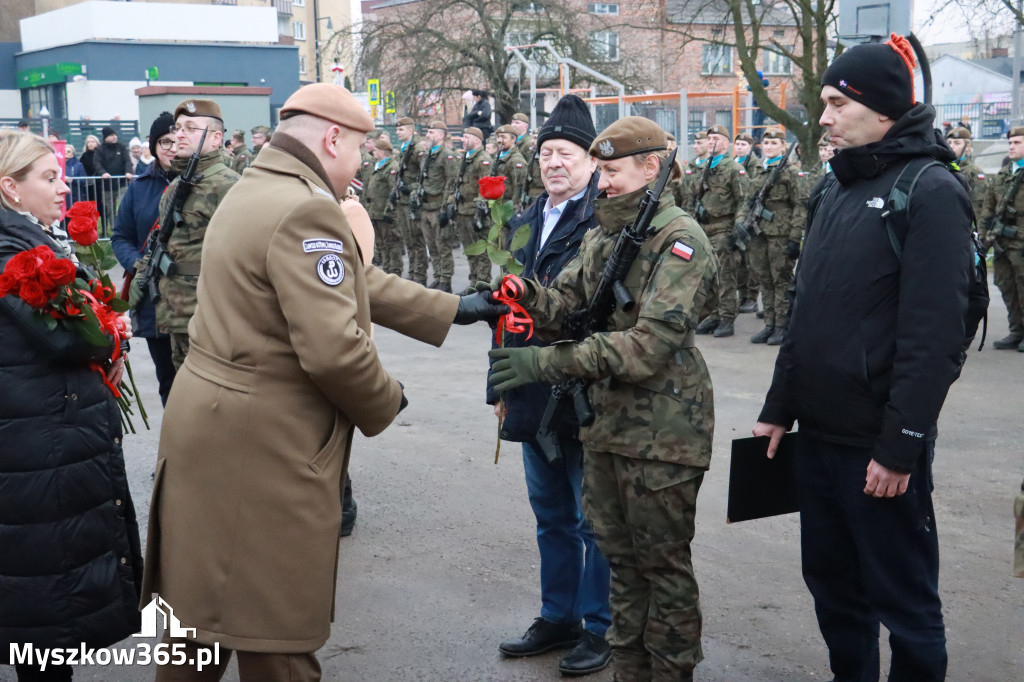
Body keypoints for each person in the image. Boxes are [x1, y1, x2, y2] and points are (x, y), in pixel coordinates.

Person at [141, 83, 506, 681]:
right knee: (276, 634)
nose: (362, 163)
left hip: (210, 427)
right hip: (262, 446)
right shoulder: (306, 208)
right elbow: (335, 352)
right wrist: (387, 400)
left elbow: (351, 279)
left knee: (197, 629)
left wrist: (450, 307)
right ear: (333, 138)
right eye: (360, 148)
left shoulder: (256, 185)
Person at [754, 36, 973, 682]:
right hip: (818, 439)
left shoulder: (929, 189)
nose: (822, 117)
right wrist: (777, 408)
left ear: (879, 107)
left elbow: (934, 339)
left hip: (878, 449)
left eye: (833, 102)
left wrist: (901, 445)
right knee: (835, 594)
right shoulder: (833, 188)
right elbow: (806, 312)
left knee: (904, 605)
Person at [487, 116, 719, 682]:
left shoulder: (680, 240)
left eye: (612, 171)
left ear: (651, 169)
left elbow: (648, 346)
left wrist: (542, 362)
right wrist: (526, 294)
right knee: (620, 566)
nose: (604, 183)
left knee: (660, 569)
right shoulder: (605, 233)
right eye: (604, 171)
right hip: (608, 425)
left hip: (663, 433)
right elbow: (569, 301)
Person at [0, 130, 142, 682]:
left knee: (47, 594)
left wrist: (109, 328)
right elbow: (68, 338)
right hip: (38, 442)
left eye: (61, 174)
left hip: (45, 434)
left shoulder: (37, 239)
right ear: (10, 188)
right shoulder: (14, 253)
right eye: (48, 177)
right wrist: (108, 337)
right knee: (44, 600)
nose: (63, 189)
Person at [490, 95, 612, 677]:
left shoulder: (604, 220)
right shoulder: (524, 219)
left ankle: (599, 625)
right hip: (529, 387)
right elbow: (503, 309)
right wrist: (499, 387)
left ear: (590, 160)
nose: (553, 162)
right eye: (545, 153)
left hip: (580, 384)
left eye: (564, 152)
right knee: (550, 514)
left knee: (592, 517)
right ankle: (556, 615)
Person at [156, 99, 241, 369]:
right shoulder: (177, 185)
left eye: (191, 128)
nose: (179, 135)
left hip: (209, 316)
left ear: (216, 139)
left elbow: (243, 257)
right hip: (176, 312)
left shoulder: (230, 186)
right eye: (178, 127)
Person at [112, 112, 178, 405]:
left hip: (195, 298)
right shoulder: (139, 188)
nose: (172, 148)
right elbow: (120, 236)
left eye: (178, 141)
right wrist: (138, 265)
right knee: (169, 383)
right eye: (165, 141)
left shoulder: (200, 185)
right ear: (154, 146)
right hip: (154, 300)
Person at [735, 126, 807, 346]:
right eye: (766, 143)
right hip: (759, 234)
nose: (769, 147)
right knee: (765, 280)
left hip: (781, 235)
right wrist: (740, 223)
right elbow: (747, 201)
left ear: (783, 146)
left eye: (774, 143)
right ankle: (769, 324)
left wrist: (795, 238)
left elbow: (801, 206)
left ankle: (781, 326)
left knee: (781, 281)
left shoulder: (791, 172)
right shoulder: (758, 172)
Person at [693, 124, 745, 338]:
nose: (711, 142)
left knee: (725, 274)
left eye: (716, 138)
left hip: (724, 227)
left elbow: (744, 198)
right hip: (704, 227)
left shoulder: (732, 168)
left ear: (726, 143)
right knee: (708, 275)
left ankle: (726, 317)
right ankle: (713, 314)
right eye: (709, 139)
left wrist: (739, 225)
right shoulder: (705, 166)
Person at [980, 126, 1024, 351]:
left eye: (1017, 142)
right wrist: (984, 235)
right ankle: (1016, 330)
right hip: (1002, 243)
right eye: (1010, 143)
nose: (1012, 146)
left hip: (1021, 242)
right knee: (1006, 284)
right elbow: (989, 207)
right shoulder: (1004, 174)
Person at [418, 121, 458, 291]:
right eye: (428, 132)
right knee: (432, 246)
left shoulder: (447, 155)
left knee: (443, 246)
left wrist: (447, 207)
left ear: (441, 135)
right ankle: (438, 276)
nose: (428, 135)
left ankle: (446, 281)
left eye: (431, 132)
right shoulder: (428, 155)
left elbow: (452, 181)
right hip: (426, 206)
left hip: (439, 207)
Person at [452, 126, 494, 287]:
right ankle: (473, 281)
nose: (463, 140)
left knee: (481, 251)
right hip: (462, 211)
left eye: (466, 137)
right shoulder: (466, 158)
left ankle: (482, 285)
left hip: (476, 213)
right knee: (470, 251)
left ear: (477, 140)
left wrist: (480, 210)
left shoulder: (483, 159)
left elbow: (486, 187)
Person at [393, 116, 428, 284]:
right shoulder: (404, 148)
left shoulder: (418, 148)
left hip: (413, 201)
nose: (397, 132)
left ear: (410, 130)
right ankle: (413, 271)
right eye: (397, 129)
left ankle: (420, 274)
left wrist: (412, 188)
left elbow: (425, 175)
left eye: (401, 129)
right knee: (408, 240)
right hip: (403, 201)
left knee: (417, 240)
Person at [732, 132, 760, 314]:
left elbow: (753, 190)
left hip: (750, 218)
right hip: (736, 215)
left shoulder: (754, 165)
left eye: (743, 144)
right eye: (738, 144)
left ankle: (751, 297)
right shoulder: (734, 162)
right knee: (739, 261)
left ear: (750, 147)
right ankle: (743, 295)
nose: (740, 147)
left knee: (750, 261)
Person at [365, 137, 402, 274]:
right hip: (375, 211)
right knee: (381, 244)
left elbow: (394, 190)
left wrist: (389, 210)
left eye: (375, 150)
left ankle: (395, 271)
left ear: (382, 152)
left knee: (392, 243)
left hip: (386, 213)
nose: (373, 153)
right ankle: (386, 270)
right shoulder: (378, 165)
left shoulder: (392, 167)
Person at [946, 126, 987, 217]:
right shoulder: (943, 167)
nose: (951, 146)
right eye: (949, 143)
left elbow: (977, 205)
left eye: (957, 143)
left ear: (967, 147)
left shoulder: (974, 172)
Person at [493, 124, 528, 210]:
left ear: (513, 139)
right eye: (498, 137)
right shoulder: (498, 156)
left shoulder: (516, 160)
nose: (499, 140)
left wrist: (514, 211)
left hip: (507, 209)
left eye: (503, 137)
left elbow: (519, 188)